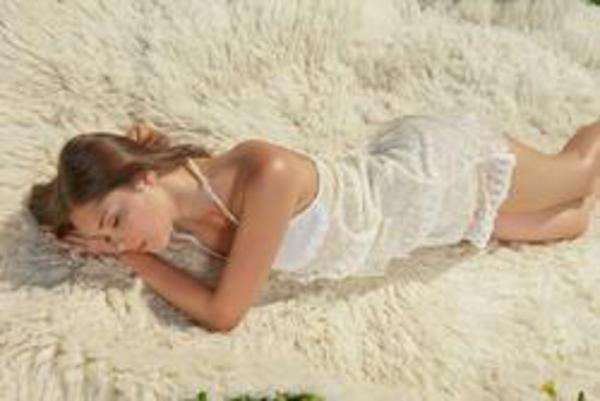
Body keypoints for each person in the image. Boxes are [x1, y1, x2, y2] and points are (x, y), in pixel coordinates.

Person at [26, 114, 600, 332]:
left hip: (441, 172)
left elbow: (224, 314)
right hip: (423, 222)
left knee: (577, 171)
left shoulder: (265, 174)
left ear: (143, 178)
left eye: (116, 221)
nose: (121, 240)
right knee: (572, 223)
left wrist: (133, 258)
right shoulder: (182, 211)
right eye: (107, 238)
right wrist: (106, 237)